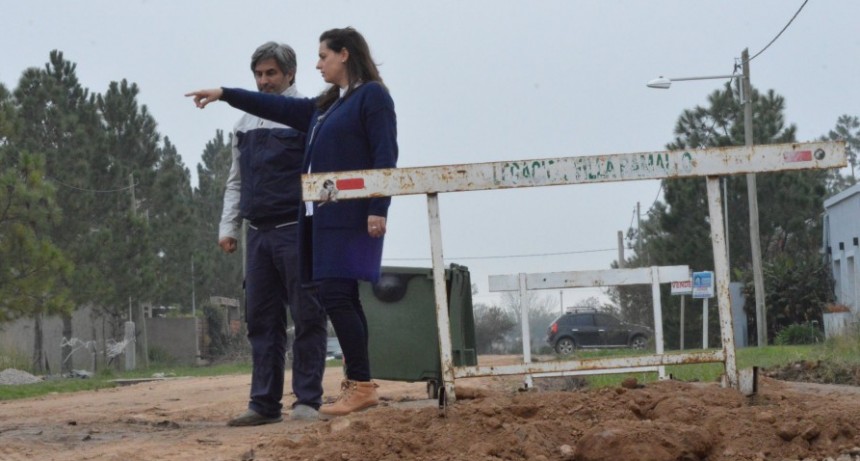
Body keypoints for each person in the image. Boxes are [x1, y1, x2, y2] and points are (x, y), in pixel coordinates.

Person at [188, 27, 397, 418]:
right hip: (309, 222)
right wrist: (225, 94)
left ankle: (343, 389)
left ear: (345, 54)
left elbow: (385, 152)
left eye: (323, 56)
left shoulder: (371, 96)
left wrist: (378, 208)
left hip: (339, 219)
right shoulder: (328, 104)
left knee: (326, 306)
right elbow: (276, 110)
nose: (318, 63)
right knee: (329, 301)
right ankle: (338, 389)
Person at [219, 41, 327, 426]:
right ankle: (263, 404)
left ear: (290, 74)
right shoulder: (243, 124)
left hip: (297, 230)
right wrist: (228, 227)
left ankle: (307, 401)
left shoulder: (307, 116)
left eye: (271, 74)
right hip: (258, 236)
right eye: (259, 75)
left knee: (308, 316)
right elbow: (235, 180)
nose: (264, 82)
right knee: (261, 322)